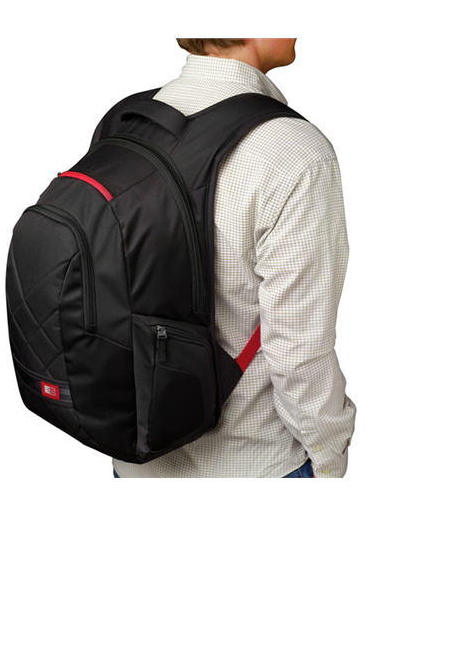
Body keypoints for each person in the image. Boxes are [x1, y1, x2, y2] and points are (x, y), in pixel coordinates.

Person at [112, 39, 356, 478]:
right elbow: (298, 354)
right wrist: (330, 458)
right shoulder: (295, 152)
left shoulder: (126, 121)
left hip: (136, 460)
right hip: (255, 464)